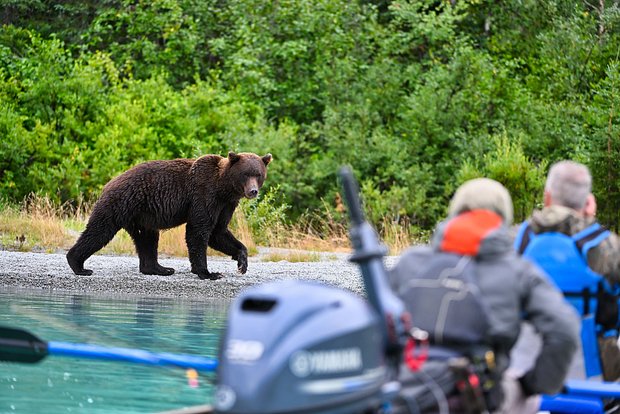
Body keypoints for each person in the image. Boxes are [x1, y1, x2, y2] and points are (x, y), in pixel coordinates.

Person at [388, 178, 580, 413]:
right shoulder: (519, 270)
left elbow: (377, 323)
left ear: (454, 213)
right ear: (503, 220)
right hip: (478, 397)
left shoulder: (410, 261)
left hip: (407, 391)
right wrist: (532, 385)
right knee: (529, 400)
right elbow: (565, 329)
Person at [513, 160, 620, 381]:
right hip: (592, 378)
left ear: (547, 197)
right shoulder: (607, 246)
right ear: (587, 200)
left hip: (521, 373)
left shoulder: (515, 239)